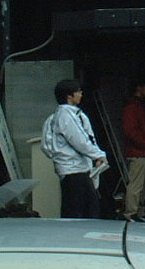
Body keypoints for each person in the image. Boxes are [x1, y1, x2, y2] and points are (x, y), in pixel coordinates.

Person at [41, 79, 107, 219]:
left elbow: (46, 146)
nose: (81, 94)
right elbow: (80, 141)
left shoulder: (58, 117)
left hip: (72, 169)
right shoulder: (66, 116)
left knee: (75, 208)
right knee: (84, 211)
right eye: (78, 91)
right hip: (75, 170)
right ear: (69, 96)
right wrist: (98, 155)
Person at [121, 74, 145, 221]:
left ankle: (138, 211)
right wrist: (144, 143)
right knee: (136, 184)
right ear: (139, 88)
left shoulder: (139, 105)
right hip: (137, 151)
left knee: (143, 184)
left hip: (143, 150)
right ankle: (131, 212)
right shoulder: (132, 107)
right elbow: (130, 131)